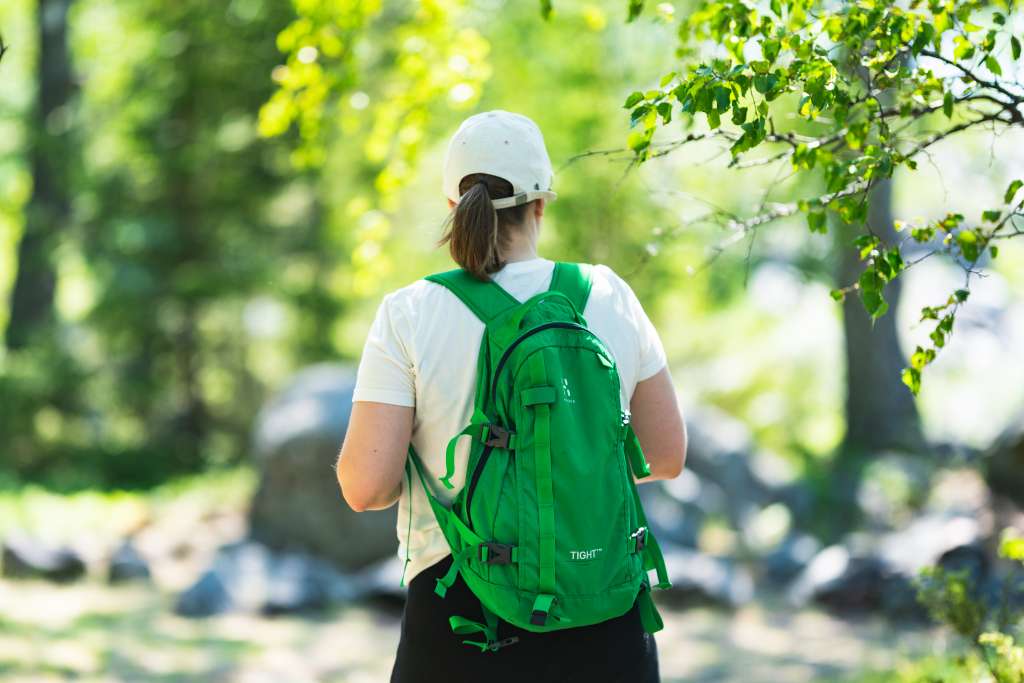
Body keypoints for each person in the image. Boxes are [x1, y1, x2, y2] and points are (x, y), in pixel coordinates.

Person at [337, 110, 687, 683]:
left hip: (463, 625)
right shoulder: (609, 295)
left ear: (454, 206)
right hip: (605, 613)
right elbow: (666, 456)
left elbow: (365, 487)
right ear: (542, 202)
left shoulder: (410, 313)